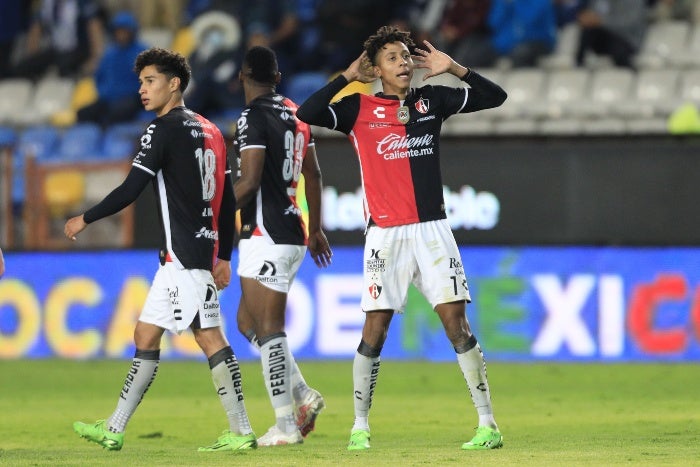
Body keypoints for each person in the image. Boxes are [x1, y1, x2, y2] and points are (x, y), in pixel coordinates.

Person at [296, 26, 507, 451]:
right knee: (375, 329)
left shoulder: (434, 101)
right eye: (393, 58)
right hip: (385, 235)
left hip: (432, 230)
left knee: (457, 324)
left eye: (406, 57)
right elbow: (307, 111)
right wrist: (347, 76)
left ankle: (488, 424)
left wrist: (456, 69)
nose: (404, 63)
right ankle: (359, 426)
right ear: (377, 68)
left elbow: (495, 97)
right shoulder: (357, 107)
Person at [64, 47, 257, 452]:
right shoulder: (213, 131)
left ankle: (241, 431)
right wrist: (223, 256)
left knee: (210, 339)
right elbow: (224, 203)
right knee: (146, 334)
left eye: (150, 81)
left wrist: (86, 217)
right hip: (195, 253)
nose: (142, 89)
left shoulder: (161, 129)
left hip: (183, 255)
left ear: (174, 84)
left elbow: (132, 188)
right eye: (140, 82)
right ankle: (114, 428)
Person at [233, 45, 332, 446]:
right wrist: (317, 229)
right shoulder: (297, 113)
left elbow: (250, 182)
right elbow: (315, 174)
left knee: (270, 331)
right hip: (290, 230)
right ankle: (303, 394)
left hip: (267, 232)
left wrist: (215, 210)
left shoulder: (251, 118)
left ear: (242, 76)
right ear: (277, 78)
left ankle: (286, 426)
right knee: (246, 323)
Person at [77, 11, 148, 127]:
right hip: (108, 98)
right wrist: (104, 92)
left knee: (116, 113)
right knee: (83, 113)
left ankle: (110, 139)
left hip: (133, 98)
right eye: (118, 31)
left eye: (124, 31)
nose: (121, 35)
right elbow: (99, 77)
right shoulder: (109, 53)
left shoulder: (143, 52)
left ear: (132, 31)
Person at [13, 0, 105, 80]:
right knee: (21, 69)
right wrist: (32, 57)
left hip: (78, 49)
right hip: (56, 49)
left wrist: (96, 57)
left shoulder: (81, 2)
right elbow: (36, 28)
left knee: (64, 68)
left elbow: (94, 26)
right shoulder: (48, 3)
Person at [575, 0, 648, 69]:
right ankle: (579, 63)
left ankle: (627, 69)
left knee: (618, 50)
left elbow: (630, 22)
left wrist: (601, 21)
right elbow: (592, 16)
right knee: (588, 28)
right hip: (605, 39)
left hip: (627, 40)